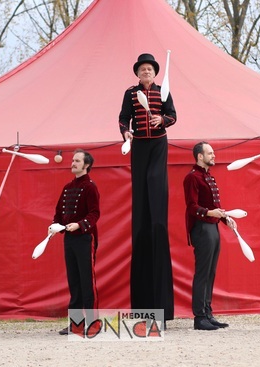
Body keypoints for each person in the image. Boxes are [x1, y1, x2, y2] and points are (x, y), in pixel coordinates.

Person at [118, 53, 176, 324]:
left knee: (156, 185)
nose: (146, 73)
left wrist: (161, 121)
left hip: (158, 144)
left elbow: (173, 116)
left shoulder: (164, 92)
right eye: (142, 70)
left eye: (149, 69)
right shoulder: (130, 93)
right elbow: (123, 119)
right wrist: (126, 133)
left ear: (154, 72)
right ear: (138, 73)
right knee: (141, 197)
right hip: (139, 145)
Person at [183, 142, 235, 330]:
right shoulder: (192, 178)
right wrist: (211, 214)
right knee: (203, 273)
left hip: (212, 227)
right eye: (210, 153)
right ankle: (199, 317)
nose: (214, 156)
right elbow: (192, 207)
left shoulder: (208, 177)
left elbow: (215, 205)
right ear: (199, 156)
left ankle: (208, 312)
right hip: (202, 228)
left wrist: (226, 218)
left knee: (211, 272)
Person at [52, 149, 100, 335]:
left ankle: (94, 323)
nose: (73, 163)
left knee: (87, 282)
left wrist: (79, 225)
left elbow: (95, 213)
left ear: (86, 165)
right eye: (73, 160)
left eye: (77, 161)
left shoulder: (90, 186)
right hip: (69, 239)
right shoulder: (67, 187)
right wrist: (55, 226)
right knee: (74, 282)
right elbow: (59, 212)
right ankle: (76, 325)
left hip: (85, 238)